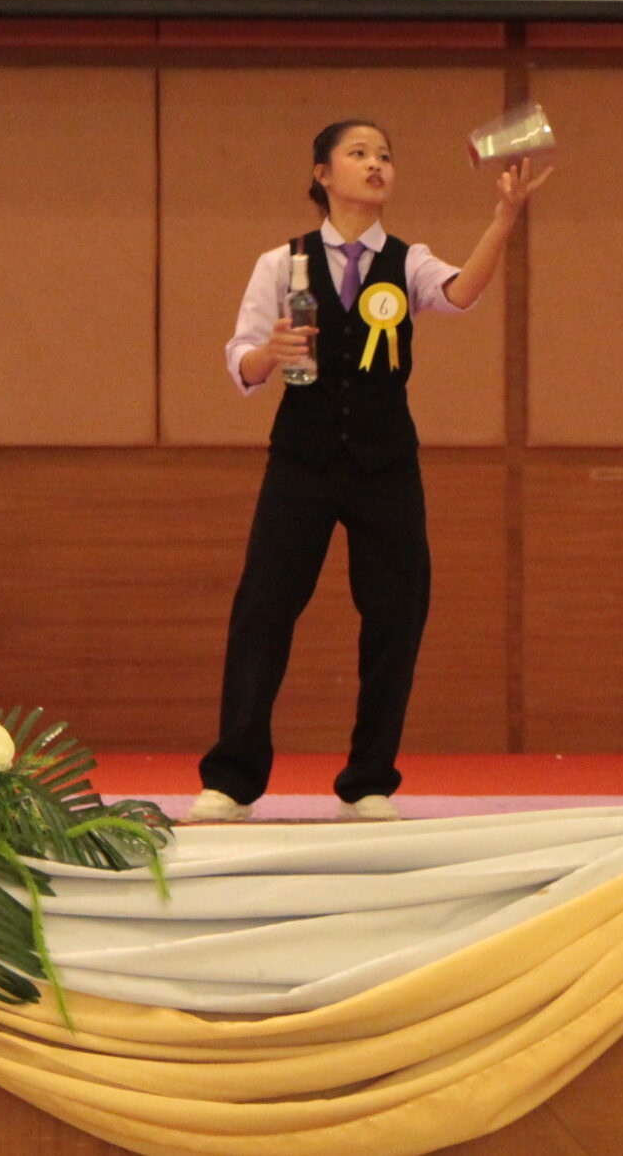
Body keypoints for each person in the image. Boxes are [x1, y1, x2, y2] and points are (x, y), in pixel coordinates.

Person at [187, 120, 549, 823]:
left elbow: (461, 292)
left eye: (385, 155)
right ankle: (232, 779)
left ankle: (369, 779)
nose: (376, 164)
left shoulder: (408, 260)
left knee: (394, 614)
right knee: (263, 609)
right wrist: (270, 354)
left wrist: (503, 220)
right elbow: (242, 359)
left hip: (386, 464)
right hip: (301, 459)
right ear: (323, 173)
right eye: (358, 154)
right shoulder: (280, 262)